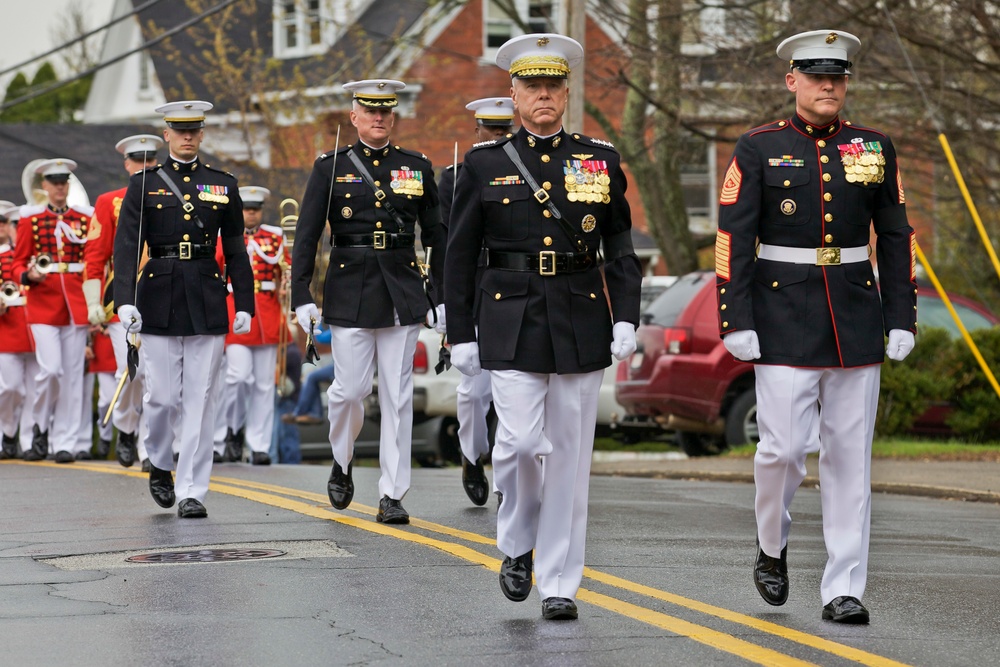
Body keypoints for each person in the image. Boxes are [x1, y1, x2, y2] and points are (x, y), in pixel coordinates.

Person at [716, 30, 917, 625]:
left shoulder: (873, 148)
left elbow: (898, 236)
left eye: (838, 76)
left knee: (850, 458)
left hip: (855, 314)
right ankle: (771, 545)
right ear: (792, 81)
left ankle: (843, 586)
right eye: (816, 76)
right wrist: (736, 318)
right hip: (781, 316)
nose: (829, 86)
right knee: (780, 452)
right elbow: (734, 238)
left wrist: (900, 314)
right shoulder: (758, 148)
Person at [444, 34, 642, 621]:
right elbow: (459, 256)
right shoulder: (483, 165)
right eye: (532, 87)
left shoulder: (598, 160)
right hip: (509, 315)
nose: (544, 97)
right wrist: (460, 333)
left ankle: (559, 581)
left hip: (581, 315)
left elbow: (621, 248)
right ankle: (516, 542)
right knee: (521, 445)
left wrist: (626, 315)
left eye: (554, 86)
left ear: (566, 92)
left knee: (570, 462)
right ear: (514, 94)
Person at [291, 78, 446, 524]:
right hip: (349, 286)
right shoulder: (329, 167)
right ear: (354, 116)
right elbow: (307, 235)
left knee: (398, 396)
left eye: (386, 111)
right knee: (350, 390)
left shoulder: (415, 166)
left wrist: (440, 295)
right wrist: (301, 293)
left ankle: (392, 493)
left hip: (401, 287)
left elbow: (438, 236)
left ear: (393, 116)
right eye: (370, 111)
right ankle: (342, 458)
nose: (378, 118)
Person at [113, 100, 255, 518]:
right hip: (157, 292)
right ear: (167, 136)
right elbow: (126, 248)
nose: (188, 136)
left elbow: (235, 249)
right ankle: (158, 460)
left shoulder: (223, 183)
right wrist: (124, 299)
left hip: (207, 294)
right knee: (160, 399)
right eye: (181, 130)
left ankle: (192, 488)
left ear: (202, 134)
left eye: (195, 130)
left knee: (201, 398)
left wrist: (243, 301)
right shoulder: (144, 184)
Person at [437, 96, 516, 506]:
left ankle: (506, 477)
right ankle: (471, 455)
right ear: (477, 131)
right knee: (472, 393)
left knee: (511, 393)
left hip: (510, 289)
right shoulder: (454, 177)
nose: (499, 137)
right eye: (492, 129)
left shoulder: (521, 171)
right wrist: (445, 303)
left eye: (505, 130)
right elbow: (448, 248)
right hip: (474, 291)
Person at [83, 133, 163, 468]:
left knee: (155, 377)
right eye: (137, 160)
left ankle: (148, 447)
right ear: (127, 164)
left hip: (160, 293)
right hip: (123, 298)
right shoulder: (109, 201)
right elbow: (95, 255)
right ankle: (126, 428)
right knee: (131, 372)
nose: (144, 165)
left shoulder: (167, 194)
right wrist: (92, 302)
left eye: (150, 159)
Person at [12, 159, 94, 463]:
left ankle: (66, 441)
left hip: (76, 301)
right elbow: (19, 261)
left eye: (64, 182)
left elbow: (94, 259)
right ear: (44, 186)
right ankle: (40, 426)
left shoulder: (85, 218)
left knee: (73, 376)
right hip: (43, 301)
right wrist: (27, 276)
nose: (60, 187)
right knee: (50, 370)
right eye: (54, 182)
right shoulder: (30, 219)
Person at [218, 185, 291, 465]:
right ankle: (233, 430)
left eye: (255, 209)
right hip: (236, 312)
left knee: (264, 385)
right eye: (246, 209)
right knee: (236, 377)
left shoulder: (275, 236)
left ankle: (258, 445)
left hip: (269, 315)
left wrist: (286, 284)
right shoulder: (226, 236)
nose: (251, 214)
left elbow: (286, 268)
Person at [0, 202, 37, 459]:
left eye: (16, 225)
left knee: (35, 391)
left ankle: (27, 441)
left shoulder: (29, 258)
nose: (14, 230)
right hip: (7, 330)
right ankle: (9, 431)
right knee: (11, 388)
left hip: (34, 328)